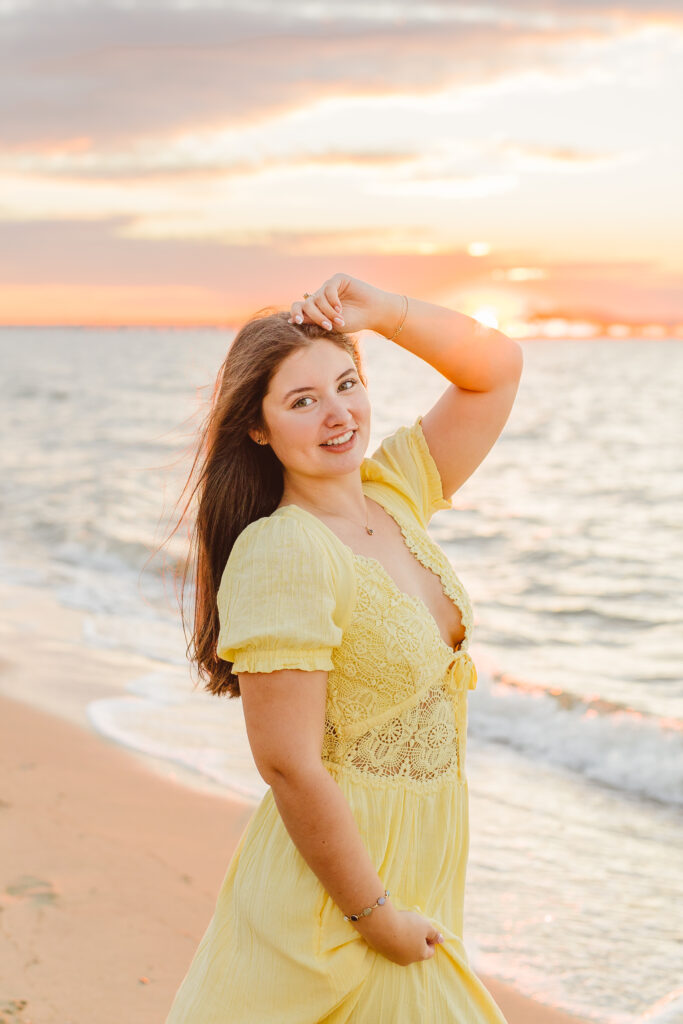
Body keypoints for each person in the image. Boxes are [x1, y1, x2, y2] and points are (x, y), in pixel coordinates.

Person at [165, 272, 523, 1022]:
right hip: (336, 898)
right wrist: (375, 915)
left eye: (347, 384)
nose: (338, 415)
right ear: (257, 429)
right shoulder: (285, 552)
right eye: (303, 400)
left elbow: (493, 371)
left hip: (420, 855)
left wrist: (386, 310)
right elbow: (287, 763)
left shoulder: (393, 491)